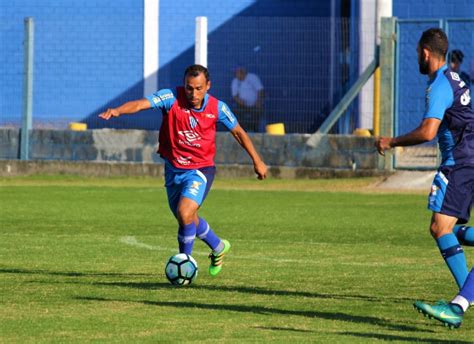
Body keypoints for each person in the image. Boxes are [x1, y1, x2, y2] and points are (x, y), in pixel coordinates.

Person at [99, 64, 268, 276]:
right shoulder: (170, 97)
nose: (194, 93)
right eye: (189, 88)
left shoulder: (217, 108)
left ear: (208, 86)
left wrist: (257, 160)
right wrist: (118, 110)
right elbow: (141, 104)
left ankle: (184, 266)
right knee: (187, 218)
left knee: (185, 212)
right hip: (173, 169)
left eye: (199, 88)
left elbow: (238, 132)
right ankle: (218, 247)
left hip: (201, 169)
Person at [375, 28, 474, 328]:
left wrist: (391, 142)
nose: (417, 56)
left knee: (439, 228)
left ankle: (462, 301)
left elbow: (428, 131)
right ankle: (464, 298)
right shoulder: (458, 80)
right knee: (444, 230)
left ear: (426, 52)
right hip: (468, 159)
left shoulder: (441, 85)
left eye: (418, 51)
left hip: (461, 162)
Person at [231, 67, 264, 132]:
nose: (236, 75)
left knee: (257, 115)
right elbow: (235, 96)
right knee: (236, 113)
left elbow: (260, 90)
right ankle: (241, 131)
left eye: (237, 73)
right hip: (242, 106)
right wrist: (240, 102)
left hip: (255, 105)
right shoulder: (235, 81)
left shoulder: (252, 77)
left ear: (242, 72)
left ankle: (256, 130)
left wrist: (258, 101)